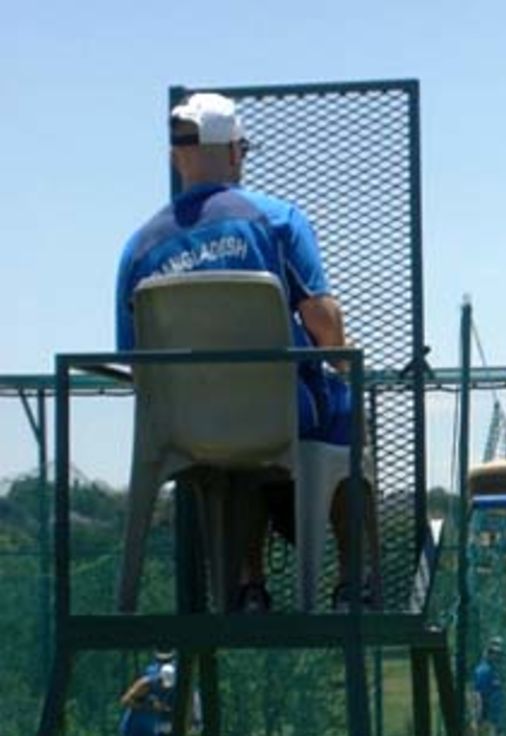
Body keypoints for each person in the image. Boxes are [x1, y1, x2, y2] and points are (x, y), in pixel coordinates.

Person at [115, 91, 376, 612]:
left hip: (183, 428)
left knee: (239, 453)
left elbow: (134, 360)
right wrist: (341, 360)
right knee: (346, 411)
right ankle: (354, 582)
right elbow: (324, 323)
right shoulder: (276, 220)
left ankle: (247, 584)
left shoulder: (139, 248)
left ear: (176, 157)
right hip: (279, 416)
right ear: (235, 151)